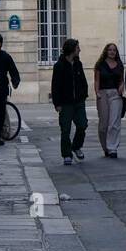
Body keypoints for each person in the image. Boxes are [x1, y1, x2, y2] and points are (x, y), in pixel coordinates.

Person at [51, 38, 89, 166]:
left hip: (79, 101)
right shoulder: (59, 66)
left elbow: (83, 81)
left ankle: (76, 146)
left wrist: (83, 95)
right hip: (65, 103)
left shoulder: (78, 64)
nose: (80, 50)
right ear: (72, 49)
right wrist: (57, 104)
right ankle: (67, 154)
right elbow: (55, 86)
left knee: (82, 125)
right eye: (78, 47)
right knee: (65, 129)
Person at [94, 42, 125, 158]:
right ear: (106, 51)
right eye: (110, 50)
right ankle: (105, 147)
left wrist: (122, 87)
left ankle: (112, 148)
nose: (112, 52)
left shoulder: (119, 65)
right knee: (103, 124)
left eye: (114, 50)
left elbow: (122, 80)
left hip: (115, 94)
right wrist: (97, 92)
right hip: (102, 94)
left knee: (114, 122)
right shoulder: (100, 65)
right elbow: (96, 80)